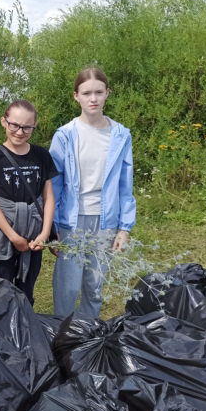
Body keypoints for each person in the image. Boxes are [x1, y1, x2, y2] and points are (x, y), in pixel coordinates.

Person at [50, 67, 136, 318]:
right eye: (86, 93)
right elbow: (54, 183)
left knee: (94, 283)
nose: (93, 98)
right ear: (76, 95)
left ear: (107, 93)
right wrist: (53, 225)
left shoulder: (120, 135)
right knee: (69, 284)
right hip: (71, 220)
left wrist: (124, 228)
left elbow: (125, 184)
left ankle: (88, 331)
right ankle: (62, 331)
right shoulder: (65, 135)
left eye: (99, 92)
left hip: (106, 219)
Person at [0, 100, 57, 307]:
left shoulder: (41, 155)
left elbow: (48, 197)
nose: (20, 131)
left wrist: (44, 234)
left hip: (35, 231)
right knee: (2, 287)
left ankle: (25, 331)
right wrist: (13, 237)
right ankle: (2, 332)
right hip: (5, 231)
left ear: (34, 126)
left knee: (27, 288)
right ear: (3, 122)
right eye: (14, 125)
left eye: (27, 127)